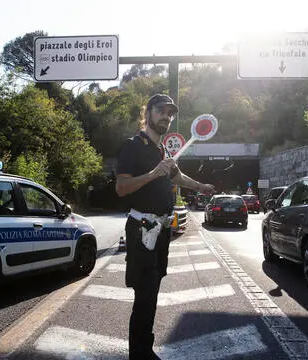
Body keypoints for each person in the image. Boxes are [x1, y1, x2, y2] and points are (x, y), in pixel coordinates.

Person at [115, 94, 215, 359]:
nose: (166, 117)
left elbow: (178, 176)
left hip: (161, 230)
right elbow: (121, 188)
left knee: (153, 291)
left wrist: (200, 186)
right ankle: (139, 354)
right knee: (145, 295)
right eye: (161, 111)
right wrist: (152, 174)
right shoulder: (132, 146)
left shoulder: (165, 151)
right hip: (141, 229)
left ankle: (145, 349)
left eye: (170, 114)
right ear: (147, 113)